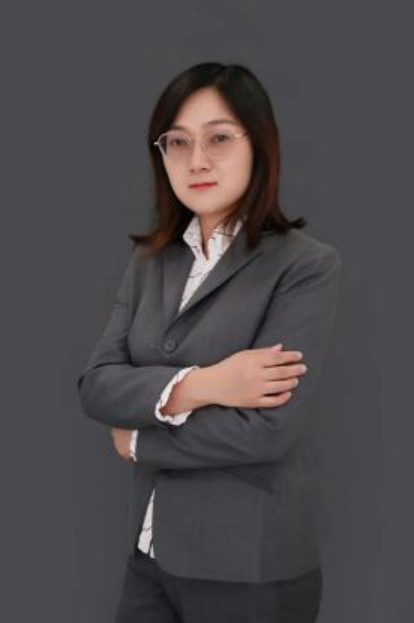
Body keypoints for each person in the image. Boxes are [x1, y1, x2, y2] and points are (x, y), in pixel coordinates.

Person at [77, 61, 342, 623]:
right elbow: (97, 386)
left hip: (248, 572)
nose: (196, 160)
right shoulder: (149, 262)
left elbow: (269, 429)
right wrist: (206, 385)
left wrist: (139, 439)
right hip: (149, 558)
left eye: (219, 138)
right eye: (177, 142)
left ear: (259, 145)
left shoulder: (304, 266)